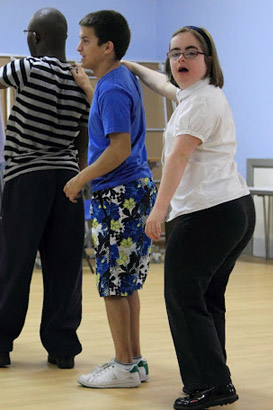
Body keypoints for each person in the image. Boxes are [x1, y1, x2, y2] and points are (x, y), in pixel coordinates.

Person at [123, 26, 255, 409]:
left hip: (208, 213)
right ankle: (216, 378)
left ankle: (211, 385)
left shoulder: (199, 104)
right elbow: (164, 84)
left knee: (183, 297)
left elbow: (179, 158)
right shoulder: (198, 95)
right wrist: (132, 66)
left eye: (190, 52)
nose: (181, 59)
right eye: (175, 52)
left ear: (208, 60)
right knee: (206, 298)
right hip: (232, 208)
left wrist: (158, 212)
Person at [64, 10, 156, 388]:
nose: (79, 46)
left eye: (86, 40)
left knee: (114, 283)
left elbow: (117, 149)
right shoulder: (116, 80)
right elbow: (110, 117)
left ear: (108, 46)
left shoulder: (115, 87)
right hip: (132, 192)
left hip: (119, 195)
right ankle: (133, 360)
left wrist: (79, 179)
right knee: (127, 281)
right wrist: (88, 86)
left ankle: (122, 366)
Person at [0, 8, 90, 369]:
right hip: (68, 181)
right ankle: (63, 347)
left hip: (26, 179)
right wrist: (79, 178)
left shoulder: (27, 66)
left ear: (34, 38)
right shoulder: (82, 77)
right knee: (65, 267)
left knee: (14, 264)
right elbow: (83, 135)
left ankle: (1, 343)